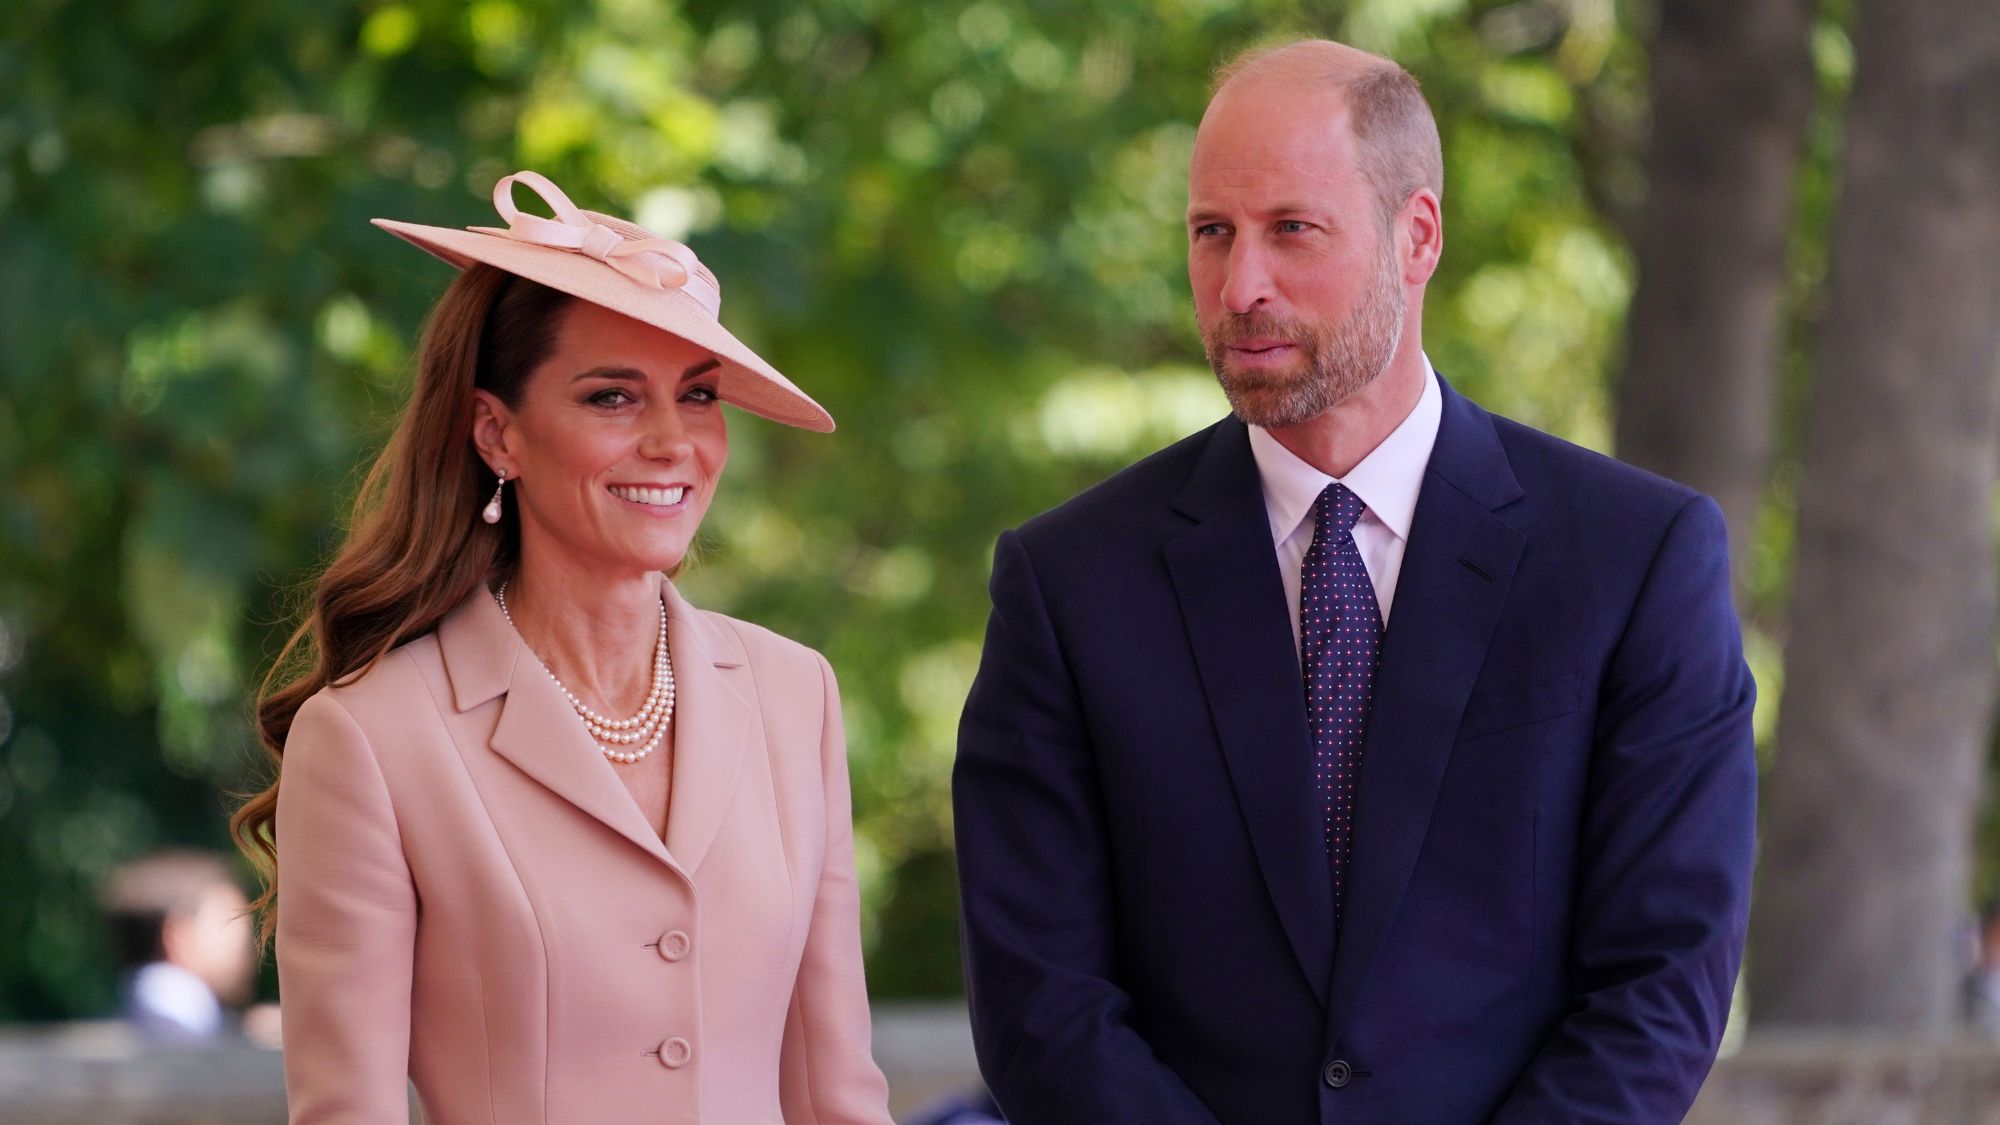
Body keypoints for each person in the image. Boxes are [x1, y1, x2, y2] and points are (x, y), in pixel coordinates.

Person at [953, 39, 1756, 1124]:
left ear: (1415, 236)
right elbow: (1038, 1002)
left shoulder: (1632, 558)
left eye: (1292, 228)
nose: (1240, 284)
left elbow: (1662, 980)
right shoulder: (1068, 583)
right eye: (1211, 232)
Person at [232, 171, 893, 1123]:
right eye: (613, 396)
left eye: (698, 396)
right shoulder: (370, 736)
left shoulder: (796, 693)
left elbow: (838, 1095)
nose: (672, 441)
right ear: (497, 433)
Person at [101, 849, 258, 1042]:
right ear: (177, 936)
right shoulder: (174, 1017)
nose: (247, 943)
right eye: (232, 924)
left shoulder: (139, 1007)